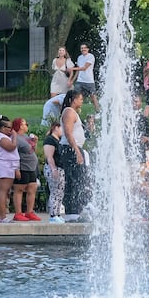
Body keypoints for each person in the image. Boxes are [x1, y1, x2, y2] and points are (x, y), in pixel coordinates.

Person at [59, 88, 91, 220]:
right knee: (74, 179)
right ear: (73, 100)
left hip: (76, 148)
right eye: (80, 99)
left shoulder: (74, 113)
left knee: (80, 179)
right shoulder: (69, 112)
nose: (82, 101)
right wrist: (77, 151)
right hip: (71, 149)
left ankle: (79, 207)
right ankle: (72, 210)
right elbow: (68, 132)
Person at [11, 117, 41, 222]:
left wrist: (35, 142)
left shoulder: (26, 137)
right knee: (19, 190)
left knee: (32, 188)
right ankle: (18, 213)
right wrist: (16, 168)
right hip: (22, 167)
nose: (26, 125)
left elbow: (31, 151)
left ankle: (29, 211)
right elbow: (13, 153)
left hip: (31, 167)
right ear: (19, 126)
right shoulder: (16, 138)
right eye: (24, 124)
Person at [0, 115, 19, 223]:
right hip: (4, 165)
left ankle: (3, 215)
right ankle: (1, 216)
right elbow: (11, 147)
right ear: (2, 128)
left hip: (9, 165)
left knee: (6, 191)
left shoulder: (3, 136)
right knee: (2, 191)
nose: (11, 130)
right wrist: (15, 137)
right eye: (8, 127)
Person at [43, 120, 66, 224]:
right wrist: (53, 169)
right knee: (54, 191)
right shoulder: (50, 140)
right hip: (53, 168)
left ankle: (57, 213)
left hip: (60, 168)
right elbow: (49, 156)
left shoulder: (59, 140)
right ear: (56, 128)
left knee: (59, 192)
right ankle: (53, 214)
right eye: (61, 128)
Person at [45, 48, 74, 125]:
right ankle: (52, 116)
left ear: (65, 52)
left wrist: (70, 80)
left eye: (62, 50)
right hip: (55, 81)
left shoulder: (68, 61)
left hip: (64, 81)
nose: (61, 52)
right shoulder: (55, 60)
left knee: (64, 100)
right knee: (53, 98)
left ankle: (62, 115)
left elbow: (71, 72)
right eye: (60, 50)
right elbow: (53, 69)